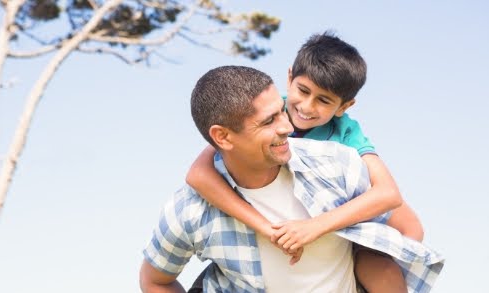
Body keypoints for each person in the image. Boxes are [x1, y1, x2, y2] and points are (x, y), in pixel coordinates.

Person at [140, 66, 444, 293]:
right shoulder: (190, 211)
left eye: (281, 111)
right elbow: (154, 281)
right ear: (223, 136)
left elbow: (404, 221)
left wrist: (371, 260)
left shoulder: (336, 164)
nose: (288, 126)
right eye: (269, 120)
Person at [186, 32, 423, 292]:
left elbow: (389, 195)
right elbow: (198, 175)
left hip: (337, 237)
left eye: (324, 100)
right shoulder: (265, 114)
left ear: (344, 106)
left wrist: (317, 229)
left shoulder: (345, 135)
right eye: (303, 90)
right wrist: (266, 229)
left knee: (380, 266)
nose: (307, 107)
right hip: (265, 246)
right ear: (289, 78)